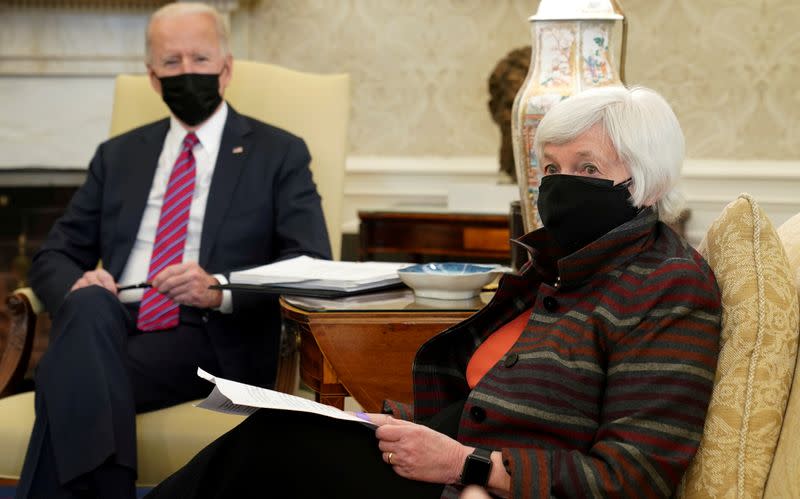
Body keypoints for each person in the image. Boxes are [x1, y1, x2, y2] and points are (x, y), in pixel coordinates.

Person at [145, 85, 722, 499]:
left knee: (272, 451)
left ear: (646, 181)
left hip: (476, 480)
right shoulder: (557, 267)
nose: (561, 185)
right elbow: (483, 399)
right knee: (281, 434)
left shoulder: (668, 285)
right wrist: (387, 423)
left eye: (588, 169)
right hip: (440, 458)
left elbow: (633, 477)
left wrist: (465, 466)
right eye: (550, 168)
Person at [16, 3, 331, 498]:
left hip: (208, 332)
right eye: (172, 62)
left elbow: (310, 261)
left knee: (65, 374)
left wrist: (219, 288)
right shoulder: (118, 155)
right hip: (115, 320)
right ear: (153, 78)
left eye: (200, 59)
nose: (187, 72)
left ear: (226, 70)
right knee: (90, 305)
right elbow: (53, 255)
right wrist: (79, 282)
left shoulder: (279, 153)